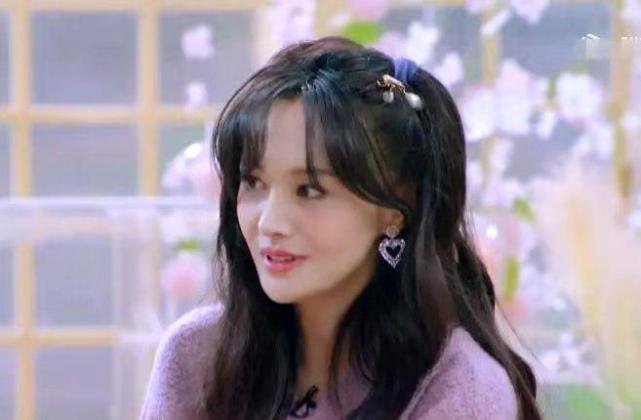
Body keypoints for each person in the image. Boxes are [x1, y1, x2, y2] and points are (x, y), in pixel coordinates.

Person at [139, 36, 541, 420]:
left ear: (395, 209)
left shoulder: (460, 388)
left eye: (309, 190)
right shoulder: (196, 355)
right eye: (254, 182)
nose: (270, 222)